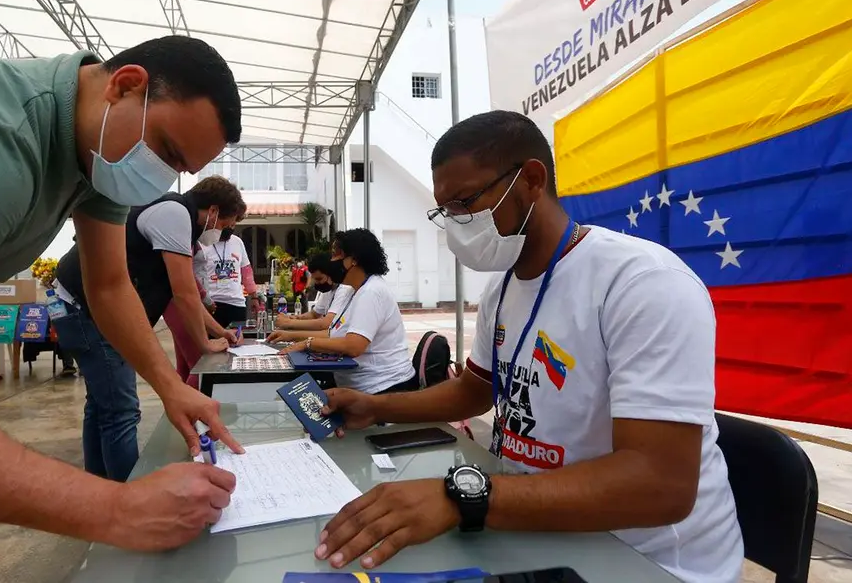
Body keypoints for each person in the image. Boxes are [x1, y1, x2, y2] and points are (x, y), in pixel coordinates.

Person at [0, 36, 246, 582]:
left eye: (179, 168)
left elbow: (108, 284)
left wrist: (168, 383)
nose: (162, 177)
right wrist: (117, 509)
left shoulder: (98, 152)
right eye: (166, 151)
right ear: (124, 85)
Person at [311, 111, 743, 583]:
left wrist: (462, 497)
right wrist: (375, 407)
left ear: (531, 180)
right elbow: (473, 393)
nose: (455, 224)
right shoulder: (503, 288)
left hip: (644, 560)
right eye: (445, 211)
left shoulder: (643, 283)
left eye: (464, 202)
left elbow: (660, 484)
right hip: (533, 528)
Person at [52, 175, 246, 482]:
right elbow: (183, 293)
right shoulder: (174, 214)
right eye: (224, 223)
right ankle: (129, 499)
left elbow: (188, 295)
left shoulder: (179, 221)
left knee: (103, 405)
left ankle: (102, 486)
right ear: (212, 210)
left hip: (77, 304)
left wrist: (217, 331)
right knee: (122, 410)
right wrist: (205, 345)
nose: (222, 231)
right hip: (83, 307)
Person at [270, 229, 416, 394]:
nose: (331, 261)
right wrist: (290, 336)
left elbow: (353, 346)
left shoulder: (372, 292)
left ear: (353, 259)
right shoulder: (352, 291)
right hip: (357, 384)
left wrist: (308, 343)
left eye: (335, 255)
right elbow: (334, 334)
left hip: (382, 387)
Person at [200, 216, 258, 328]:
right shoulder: (203, 243)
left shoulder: (237, 242)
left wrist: (254, 297)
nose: (231, 229)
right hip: (212, 304)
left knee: (237, 342)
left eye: (233, 226)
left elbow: (246, 271)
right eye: (228, 226)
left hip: (236, 304)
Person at [274, 253, 353, 331]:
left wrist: (290, 323)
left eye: (319, 279)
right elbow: (314, 314)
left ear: (330, 274)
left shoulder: (344, 290)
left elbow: (326, 323)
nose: (316, 283)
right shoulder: (328, 290)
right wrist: (294, 318)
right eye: (315, 279)